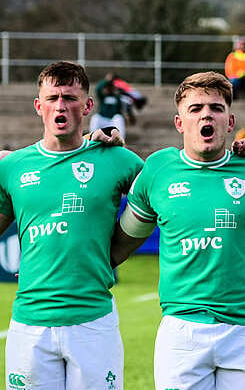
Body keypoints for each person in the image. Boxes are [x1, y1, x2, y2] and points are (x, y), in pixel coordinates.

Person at [109, 71, 245, 389]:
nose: (206, 114)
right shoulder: (157, 171)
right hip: (181, 332)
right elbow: (118, 246)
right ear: (180, 122)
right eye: (195, 109)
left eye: (215, 108)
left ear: (230, 120)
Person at [0, 62, 143, 389]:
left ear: (88, 106)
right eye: (52, 98)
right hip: (30, 324)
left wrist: (116, 252)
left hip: (93, 322)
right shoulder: (12, 167)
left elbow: (167, 197)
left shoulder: (118, 159)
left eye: (69, 97)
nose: (60, 105)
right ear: (39, 106)